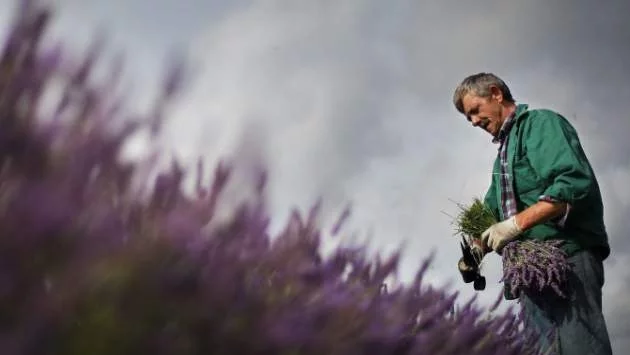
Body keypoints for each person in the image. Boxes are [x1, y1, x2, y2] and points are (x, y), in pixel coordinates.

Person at [452, 73, 613, 355]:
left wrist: (516, 224)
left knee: (579, 348)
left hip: (567, 260)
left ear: (496, 94)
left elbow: (572, 183)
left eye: (475, 111)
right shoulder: (503, 155)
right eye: (468, 119)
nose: (474, 121)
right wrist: (475, 251)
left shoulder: (540, 125)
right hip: (529, 273)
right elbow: (493, 210)